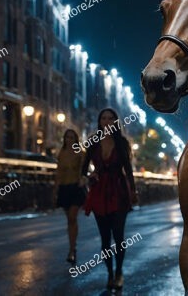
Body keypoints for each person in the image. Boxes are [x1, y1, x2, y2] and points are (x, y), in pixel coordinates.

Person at [81, 108, 138, 291]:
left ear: (115, 121)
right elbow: (83, 169)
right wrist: (90, 176)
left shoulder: (121, 143)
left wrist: (133, 191)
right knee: (105, 239)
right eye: (103, 118)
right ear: (99, 121)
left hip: (119, 191)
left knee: (119, 236)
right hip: (99, 192)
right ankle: (110, 274)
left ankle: (119, 272)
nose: (107, 121)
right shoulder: (93, 142)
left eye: (110, 118)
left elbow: (128, 169)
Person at [54, 129, 86, 264]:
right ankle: (72, 247)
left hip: (76, 188)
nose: (69, 140)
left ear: (76, 139)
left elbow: (83, 169)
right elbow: (58, 172)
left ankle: (72, 250)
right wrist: (56, 189)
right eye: (67, 137)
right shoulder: (61, 154)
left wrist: (82, 179)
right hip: (64, 188)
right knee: (69, 220)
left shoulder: (81, 153)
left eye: (72, 137)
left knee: (73, 217)